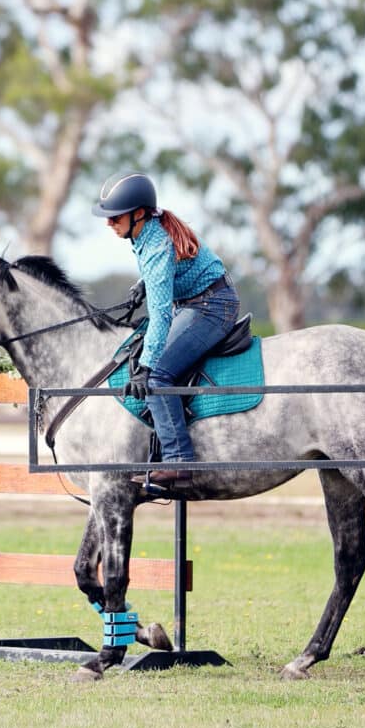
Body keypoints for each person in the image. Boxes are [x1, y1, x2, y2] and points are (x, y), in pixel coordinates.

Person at [92, 171, 240, 493]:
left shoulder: (156, 243)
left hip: (212, 307)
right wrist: (143, 285)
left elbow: (159, 316)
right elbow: (167, 278)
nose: (109, 223)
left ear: (139, 213)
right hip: (193, 303)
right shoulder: (145, 236)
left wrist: (146, 368)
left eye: (115, 216)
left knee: (158, 375)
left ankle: (177, 464)